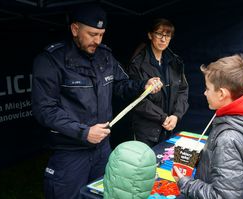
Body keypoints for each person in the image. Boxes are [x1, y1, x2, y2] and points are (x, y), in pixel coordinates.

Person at [31, 3, 162, 199]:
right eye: (92, 34)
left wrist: (143, 85)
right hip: (70, 151)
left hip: (102, 148)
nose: (97, 40)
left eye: (101, 34)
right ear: (75, 29)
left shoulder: (105, 56)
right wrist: (83, 132)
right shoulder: (51, 60)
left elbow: (121, 85)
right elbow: (45, 110)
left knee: (103, 194)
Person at [173, 54, 243, 198]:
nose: (204, 93)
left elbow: (223, 196)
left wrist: (185, 184)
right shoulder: (241, 119)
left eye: (207, 88)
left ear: (222, 94)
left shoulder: (228, 139)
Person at [126, 18, 189, 147]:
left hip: (168, 127)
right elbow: (136, 99)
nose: (163, 39)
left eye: (167, 35)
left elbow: (183, 90)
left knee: (163, 164)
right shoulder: (138, 63)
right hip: (146, 131)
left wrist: (176, 116)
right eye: (159, 34)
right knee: (145, 165)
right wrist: (162, 117)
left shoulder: (176, 62)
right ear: (150, 35)